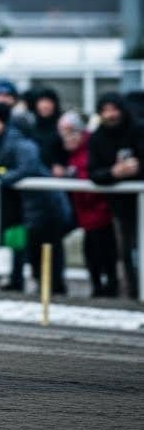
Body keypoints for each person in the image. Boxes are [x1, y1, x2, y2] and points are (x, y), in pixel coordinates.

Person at [0, 102, 70, 295]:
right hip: (28, 207)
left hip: (46, 205)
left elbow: (27, 168)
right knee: (30, 247)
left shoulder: (20, 143)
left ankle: (54, 288)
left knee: (48, 248)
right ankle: (39, 285)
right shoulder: (0, 143)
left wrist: (2, 177)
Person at [52, 111, 117, 297]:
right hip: (84, 212)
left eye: (71, 132)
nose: (67, 138)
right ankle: (98, 288)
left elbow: (90, 175)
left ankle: (109, 289)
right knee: (90, 253)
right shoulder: (71, 153)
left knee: (104, 253)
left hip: (99, 211)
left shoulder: (90, 149)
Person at [86, 92, 144, 299]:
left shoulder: (138, 130)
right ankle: (134, 293)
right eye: (105, 110)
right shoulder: (97, 137)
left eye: (114, 109)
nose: (110, 115)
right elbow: (93, 172)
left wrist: (137, 169)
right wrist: (114, 173)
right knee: (127, 252)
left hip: (139, 200)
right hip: (121, 207)